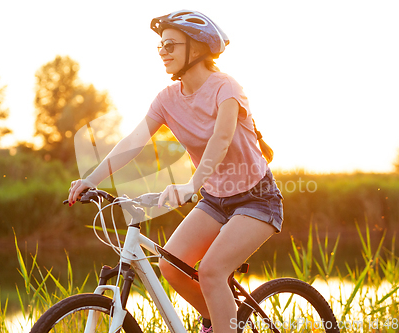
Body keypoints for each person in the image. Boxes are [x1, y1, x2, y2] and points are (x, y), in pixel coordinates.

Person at [68, 10, 284, 333]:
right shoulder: (167, 99)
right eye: (160, 47)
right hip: (215, 200)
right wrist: (91, 180)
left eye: (171, 45)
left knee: (211, 270)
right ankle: (224, 321)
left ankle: (225, 321)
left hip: (257, 198)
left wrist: (191, 185)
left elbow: (221, 138)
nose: (163, 53)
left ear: (196, 49)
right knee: (171, 265)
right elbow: (133, 142)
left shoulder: (227, 88)